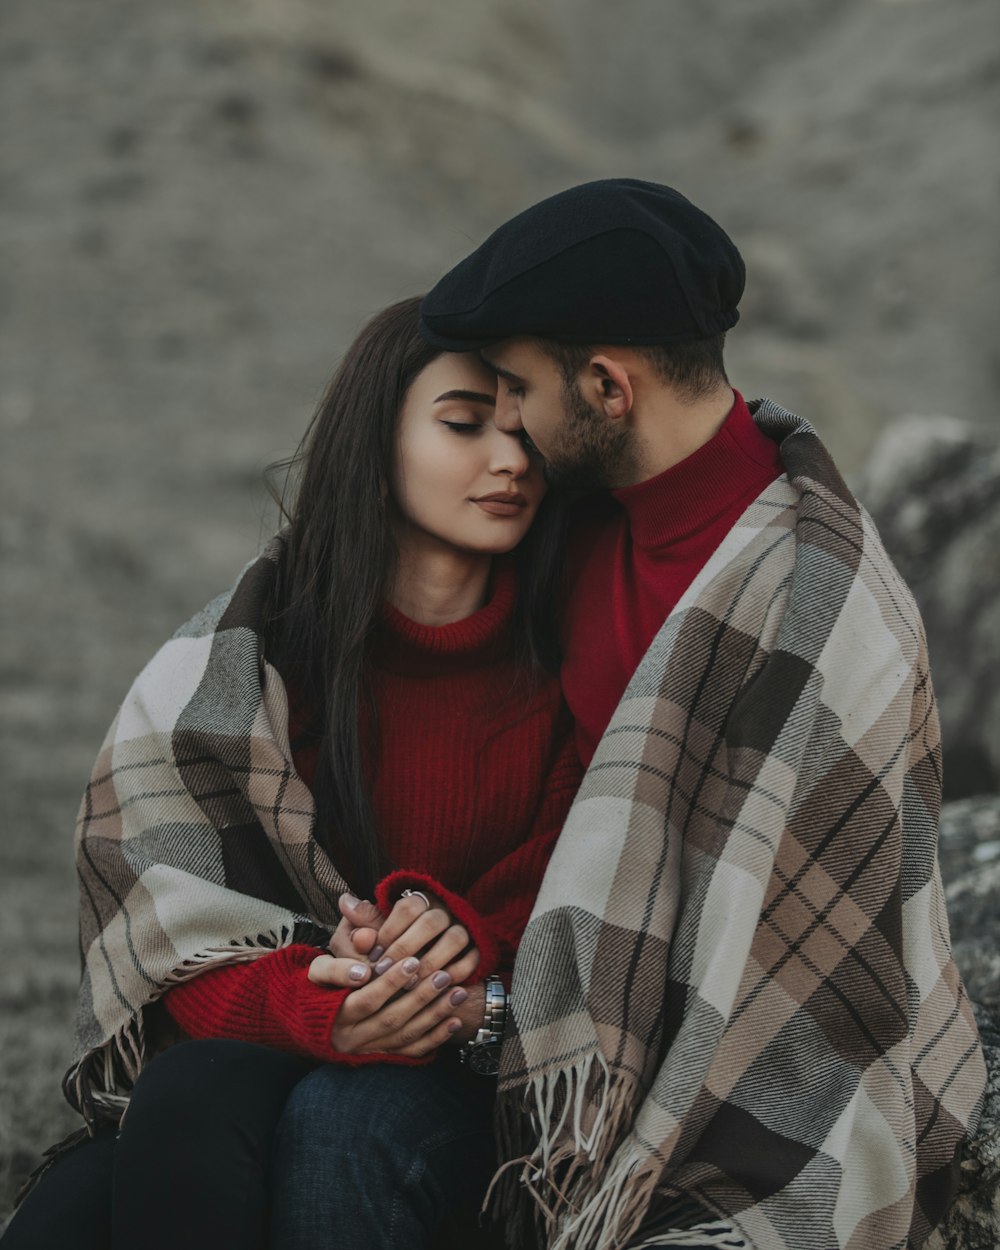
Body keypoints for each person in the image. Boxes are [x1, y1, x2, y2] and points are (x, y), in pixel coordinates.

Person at [416, 179, 988, 1250]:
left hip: (745, 1085)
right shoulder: (566, 535)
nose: (507, 420)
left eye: (517, 387)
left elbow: (806, 973)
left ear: (604, 386)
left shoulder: (824, 605)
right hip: (537, 1039)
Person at [3, 296, 581, 1249]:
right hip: (303, 1030)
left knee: (340, 1127)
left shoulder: (579, 661)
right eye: (464, 424)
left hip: (495, 1073)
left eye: (526, 433)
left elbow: (581, 895)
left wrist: (444, 947)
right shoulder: (253, 655)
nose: (511, 459)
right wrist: (329, 1004)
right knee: (82, 1200)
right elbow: (179, 927)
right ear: (374, 438)